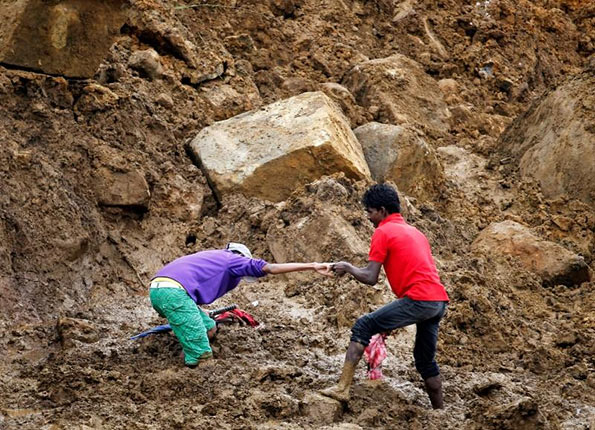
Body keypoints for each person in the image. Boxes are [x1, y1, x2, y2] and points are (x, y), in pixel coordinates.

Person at [321, 184, 449, 409]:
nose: (369, 218)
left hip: (418, 299)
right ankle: (440, 412)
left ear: (381, 210)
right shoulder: (416, 232)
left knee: (363, 325)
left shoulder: (383, 231)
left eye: (370, 212)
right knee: (425, 361)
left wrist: (349, 267)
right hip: (437, 302)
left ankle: (342, 388)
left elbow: (371, 277)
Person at [149, 242, 331, 368]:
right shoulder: (234, 260)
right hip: (174, 294)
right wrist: (312, 265)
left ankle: (190, 342)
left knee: (209, 328)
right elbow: (271, 268)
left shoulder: (213, 256)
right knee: (202, 356)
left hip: (159, 290)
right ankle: (186, 370)